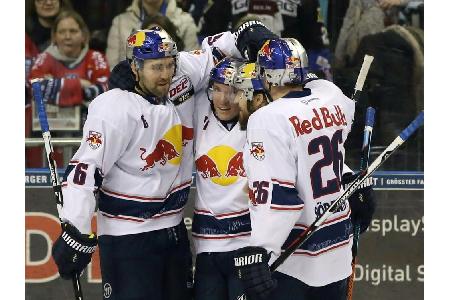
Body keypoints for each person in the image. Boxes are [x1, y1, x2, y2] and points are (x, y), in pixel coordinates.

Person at [51, 29, 194, 300]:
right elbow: (85, 170)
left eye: (169, 65)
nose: (165, 74)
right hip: (128, 239)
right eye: (156, 67)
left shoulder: (178, 90)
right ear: (135, 68)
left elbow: (209, 55)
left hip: (174, 233)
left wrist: (241, 37)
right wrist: (76, 229)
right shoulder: (113, 108)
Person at [231, 38, 375, 299]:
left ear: (267, 77)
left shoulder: (268, 119)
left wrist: (261, 252)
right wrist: (353, 180)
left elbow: (278, 200)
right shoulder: (330, 96)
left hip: (294, 264)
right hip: (337, 252)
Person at [192, 58, 264, 300]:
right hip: (207, 248)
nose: (222, 99)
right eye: (217, 89)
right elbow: (185, 65)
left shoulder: (262, 121)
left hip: (248, 246)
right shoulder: (197, 110)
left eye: (233, 91)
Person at [106, 0, 199, 69]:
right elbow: (112, 68)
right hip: (129, 88)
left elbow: (193, 66)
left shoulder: (186, 21)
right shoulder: (119, 22)